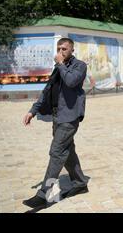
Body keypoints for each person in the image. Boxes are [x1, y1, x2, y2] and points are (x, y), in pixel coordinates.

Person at [22, 38, 89, 209]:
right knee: (68, 152)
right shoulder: (58, 68)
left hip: (70, 118)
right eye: (58, 48)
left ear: (71, 50)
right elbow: (47, 91)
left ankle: (44, 193)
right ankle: (80, 182)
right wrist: (32, 110)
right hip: (57, 117)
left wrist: (60, 65)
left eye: (64, 49)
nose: (60, 52)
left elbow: (72, 81)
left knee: (57, 151)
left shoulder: (79, 66)